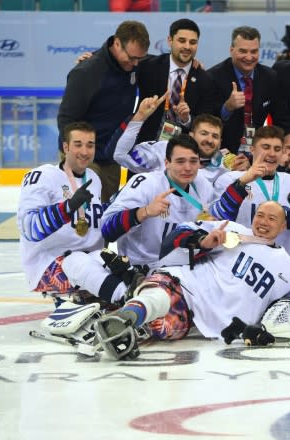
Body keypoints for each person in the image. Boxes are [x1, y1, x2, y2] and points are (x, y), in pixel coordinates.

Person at [94, 202, 290, 359]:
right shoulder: (231, 229)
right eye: (260, 215)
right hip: (187, 286)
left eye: (271, 218)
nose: (263, 222)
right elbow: (178, 234)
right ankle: (125, 316)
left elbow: (285, 314)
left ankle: (132, 285)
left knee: (163, 328)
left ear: (284, 225)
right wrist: (203, 241)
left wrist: (259, 330)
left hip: (209, 324)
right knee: (159, 298)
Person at [18, 122, 136, 304]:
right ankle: (128, 302)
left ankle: (134, 299)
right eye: (78, 144)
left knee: (113, 262)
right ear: (66, 147)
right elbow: (30, 229)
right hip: (50, 263)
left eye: (90, 145)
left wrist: (120, 203)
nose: (85, 151)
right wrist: (67, 207)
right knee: (78, 261)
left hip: (88, 257)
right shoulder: (41, 176)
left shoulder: (94, 178)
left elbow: (95, 220)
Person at [57, 20, 150, 202]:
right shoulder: (87, 72)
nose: (136, 63)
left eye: (140, 59)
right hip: (84, 154)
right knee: (82, 217)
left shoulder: (133, 63)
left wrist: (194, 64)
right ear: (117, 44)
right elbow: (66, 119)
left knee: (104, 216)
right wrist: (78, 154)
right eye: (132, 58)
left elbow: (163, 63)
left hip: (110, 157)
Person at [101, 135, 220, 269]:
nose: (188, 168)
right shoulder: (146, 183)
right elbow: (106, 230)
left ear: (199, 163)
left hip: (184, 266)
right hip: (141, 267)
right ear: (167, 163)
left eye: (193, 161)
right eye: (180, 161)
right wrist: (143, 212)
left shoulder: (203, 185)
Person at [204, 126, 290, 265]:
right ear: (252, 150)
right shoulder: (229, 179)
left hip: (283, 267)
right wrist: (243, 182)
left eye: (277, 149)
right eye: (266, 147)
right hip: (239, 264)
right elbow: (217, 219)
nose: (271, 153)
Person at [134, 18, 219, 145]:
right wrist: (94, 56)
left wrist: (187, 119)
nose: (187, 47)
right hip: (145, 146)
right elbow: (122, 59)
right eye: (182, 41)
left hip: (181, 152)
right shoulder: (148, 67)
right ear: (170, 40)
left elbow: (206, 122)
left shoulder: (205, 80)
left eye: (193, 42)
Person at [207, 26, 280, 154]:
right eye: (243, 51)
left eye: (254, 51)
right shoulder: (213, 77)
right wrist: (227, 108)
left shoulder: (270, 77)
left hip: (257, 152)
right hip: (222, 152)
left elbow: (280, 117)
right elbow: (205, 121)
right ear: (231, 50)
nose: (249, 57)